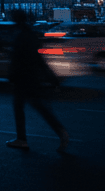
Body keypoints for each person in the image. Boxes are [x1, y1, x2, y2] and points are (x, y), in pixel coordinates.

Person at [4, 9, 69, 152]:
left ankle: (22, 139)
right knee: (40, 107)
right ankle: (60, 131)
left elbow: (17, 59)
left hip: (22, 78)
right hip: (32, 76)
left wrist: (11, 76)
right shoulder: (31, 35)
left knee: (20, 108)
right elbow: (39, 59)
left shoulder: (20, 36)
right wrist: (50, 77)